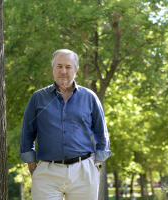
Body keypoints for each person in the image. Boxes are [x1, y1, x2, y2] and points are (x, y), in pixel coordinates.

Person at [20, 49, 111, 200]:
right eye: (59, 66)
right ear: (53, 69)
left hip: (84, 171)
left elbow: (102, 132)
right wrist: (31, 164)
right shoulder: (38, 98)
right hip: (47, 173)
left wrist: (98, 165)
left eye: (68, 67)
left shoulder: (89, 97)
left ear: (76, 70)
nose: (63, 71)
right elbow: (27, 133)